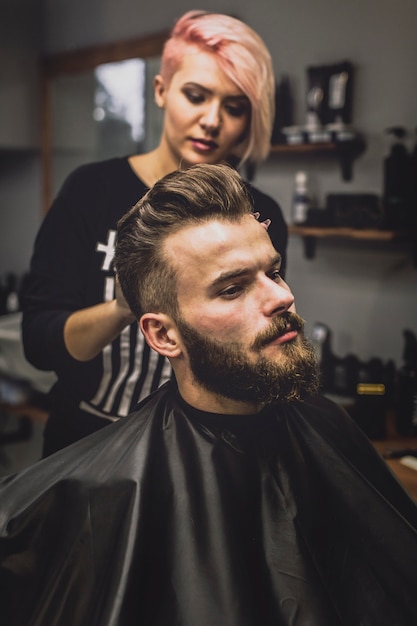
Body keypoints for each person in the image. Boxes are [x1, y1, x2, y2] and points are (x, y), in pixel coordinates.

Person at [2, 163, 417, 626]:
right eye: (233, 288)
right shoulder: (107, 492)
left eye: (274, 272)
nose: (280, 298)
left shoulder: (330, 426)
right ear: (163, 335)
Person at [21, 10, 288, 457]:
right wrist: (121, 308)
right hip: (88, 447)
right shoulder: (92, 190)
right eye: (196, 95)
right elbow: (39, 342)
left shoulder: (260, 214)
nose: (211, 120)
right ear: (162, 91)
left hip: (203, 451)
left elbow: (260, 342)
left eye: (234, 106)